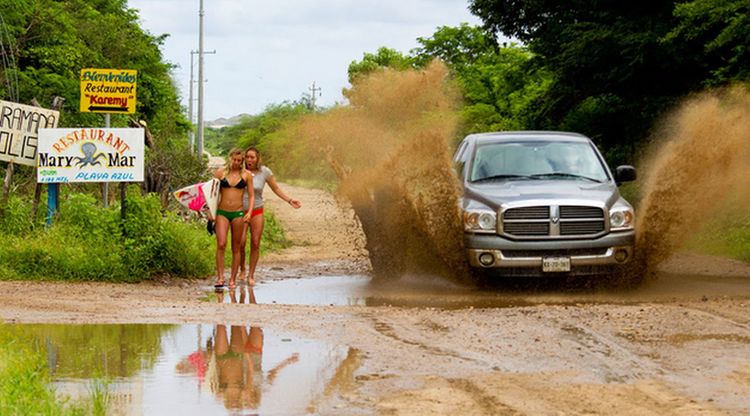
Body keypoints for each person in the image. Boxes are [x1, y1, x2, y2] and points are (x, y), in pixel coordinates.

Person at [239, 146, 301, 285]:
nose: (249, 160)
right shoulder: (240, 171)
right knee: (241, 243)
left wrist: (290, 200)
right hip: (240, 211)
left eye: (252, 157)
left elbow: (276, 188)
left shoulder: (264, 172)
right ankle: (242, 268)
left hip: (257, 210)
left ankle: (251, 275)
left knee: (255, 242)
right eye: (247, 157)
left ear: (257, 158)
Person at [213, 148, 254, 290]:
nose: (236, 163)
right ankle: (220, 277)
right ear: (229, 158)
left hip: (238, 213)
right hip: (222, 212)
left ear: (242, 161)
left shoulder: (247, 175)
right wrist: (210, 213)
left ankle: (232, 279)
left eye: (239, 160)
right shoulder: (220, 173)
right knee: (221, 243)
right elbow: (211, 193)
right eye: (234, 159)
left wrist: (249, 212)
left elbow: (252, 195)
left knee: (236, 247)